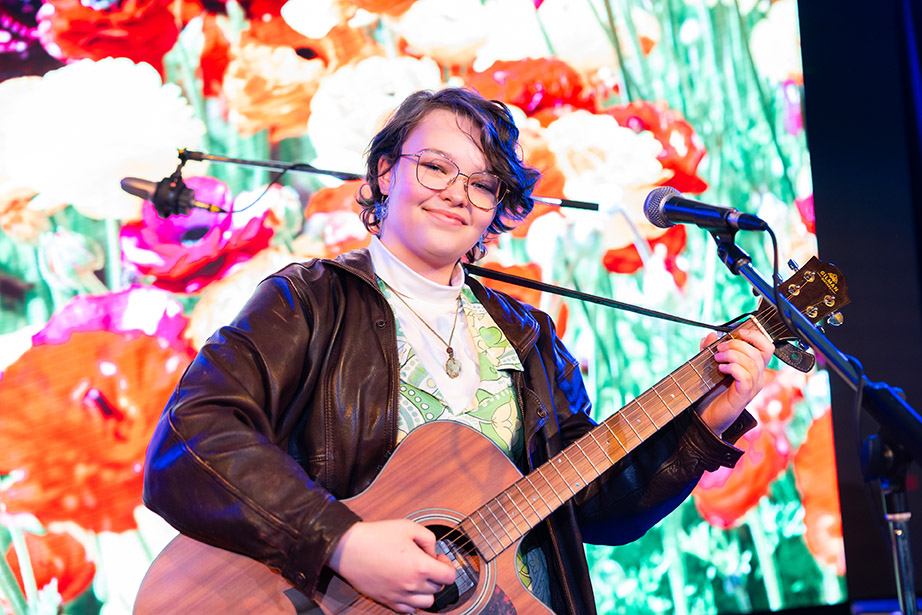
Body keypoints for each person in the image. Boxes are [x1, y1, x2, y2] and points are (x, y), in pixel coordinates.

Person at [142, 87, 774, 615]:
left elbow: (592, 508)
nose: (456, 193)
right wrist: (340, 543)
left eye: (482, 182)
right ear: (387, 173)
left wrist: (700, 426)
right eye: (436, 167)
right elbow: (191, 437)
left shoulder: (529, 338)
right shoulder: (309, 301)